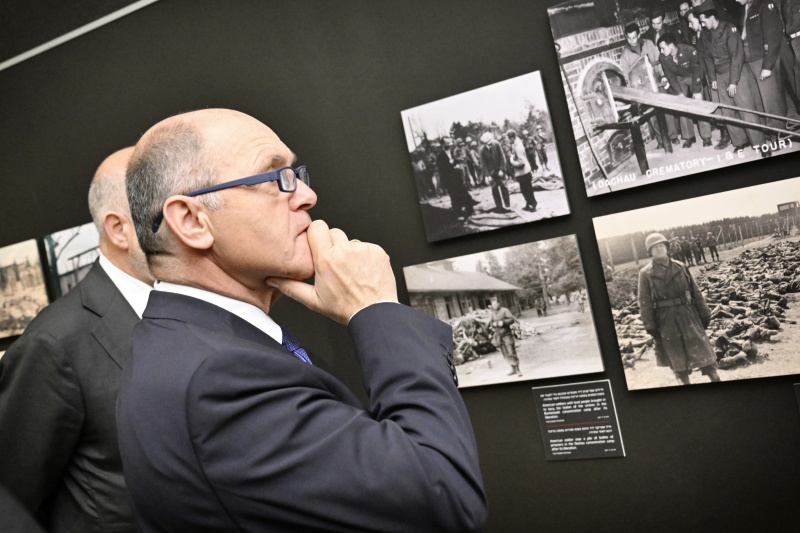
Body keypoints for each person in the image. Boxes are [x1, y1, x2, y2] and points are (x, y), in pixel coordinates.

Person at [116, 108, 487, 532]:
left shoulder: (186, 345)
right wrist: (376, 308)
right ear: (191, 221)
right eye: (274, 177)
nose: (307, 195)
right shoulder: (218, 378)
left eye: (295, 173)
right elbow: (445, 494)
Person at [0, 147, 154, 531]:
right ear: (118, 229)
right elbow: (11, 497)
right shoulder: (53, 343)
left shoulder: (198, 307)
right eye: (166, 206)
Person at [638, 233, 721, 385]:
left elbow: (695, 292)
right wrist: (650, 326)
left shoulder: (681, 266)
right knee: (678, 360)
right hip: (666, 319)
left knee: (704, 354)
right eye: (655, 247)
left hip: (688, 314)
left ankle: (715, 379)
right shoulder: (645, 273)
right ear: (650, 252)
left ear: (667, 247)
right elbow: (645, 302)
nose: (659, 249)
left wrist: (704, 313)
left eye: (661, 245)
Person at [698, 4, 771, 157]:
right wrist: (712, 78)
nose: (702, 25)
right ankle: (740, 142)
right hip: (719, 75)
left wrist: (733, 82)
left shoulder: (729, 29)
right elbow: (708, 58)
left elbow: (737, 56)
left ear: (712, 18)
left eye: (703, 21)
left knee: (746, 109)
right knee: (727, 112)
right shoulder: (705, 34)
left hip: (736, 73)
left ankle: (760, 143)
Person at [620, 22, 680, 148]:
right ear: (626, 37)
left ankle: (673, 136)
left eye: (634, 37)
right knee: (651, 114)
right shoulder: (625, 54)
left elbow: (660, 59)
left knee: (666, 107)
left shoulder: (648, 44)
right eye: (629, 38)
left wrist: (663, 75)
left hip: (657, 80)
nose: (632, 41)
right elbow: (626, 74)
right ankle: (661, 140)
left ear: (639, 35)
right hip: (643, 88)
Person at [737, 0, 787, 136]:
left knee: (771, 101)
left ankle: (778, 134)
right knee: (759, 100)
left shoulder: (764, 5)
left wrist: (768, 66)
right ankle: (767, 132)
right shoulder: (745, 8)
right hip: (750, 59)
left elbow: (773, 36)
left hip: (762, 60)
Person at [658, 32, 712, 147]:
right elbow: (670, 76)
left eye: (662, 48)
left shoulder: (689, 50)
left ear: (671, 45)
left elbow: (698, 71)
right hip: (679, 78)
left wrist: (697, 91)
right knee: (682, 104)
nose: (661, 51)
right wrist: (679, 93)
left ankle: (706, 136)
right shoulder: (663, 57)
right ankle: (689, 137)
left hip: (693, 76)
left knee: (699, 102)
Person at [437, 136, 477, 220]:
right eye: (447, 143)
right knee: (454, 197)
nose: (449, 145)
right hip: (449, 180)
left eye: (450, 143)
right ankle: (459, 214)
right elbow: (442, 170)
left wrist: (456, 164)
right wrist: (452, 167)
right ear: (443, 144)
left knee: (464, 193)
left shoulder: (452, 152)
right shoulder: (440, 156)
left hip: (457, 177)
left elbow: (455, 161)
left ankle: (469, 210)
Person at [489, 296, 522, 376]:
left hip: (507, 335)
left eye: (495, 304)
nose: (494, 306)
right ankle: (512, 369)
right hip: (499, 336)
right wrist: (493, 324)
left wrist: (503, 322)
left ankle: (517, 369)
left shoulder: (504, 310)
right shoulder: (493, 313)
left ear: (498, 303)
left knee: (511, 351)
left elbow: (511, 319)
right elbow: (490, 323)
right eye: (493, 304)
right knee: (505, 353)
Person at [479, 131, 511, 213]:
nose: (490, 144)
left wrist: (502, 169)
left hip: (500, 170)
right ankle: (499, 207)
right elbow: (483, 164)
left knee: (504, 187)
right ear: (484, 143)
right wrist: (487, 175)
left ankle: (507, 205)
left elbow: (502, 157)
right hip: (491, 173)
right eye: (488, 144)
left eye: (490, 142)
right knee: (494, 190)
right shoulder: (482, 150)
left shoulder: (496, 144)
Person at [507, 129, 537, 211]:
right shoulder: (516, 144)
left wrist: (512, 161)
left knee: (527, 190)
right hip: (523, 172)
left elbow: (521, 163)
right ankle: (529, 204)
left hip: (524, 173)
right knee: (525, 190)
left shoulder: (518, 147)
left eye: (508, 139)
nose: (508, 141)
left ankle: (532, 205)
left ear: (512, 138)